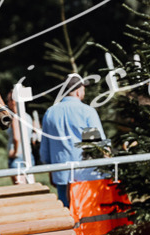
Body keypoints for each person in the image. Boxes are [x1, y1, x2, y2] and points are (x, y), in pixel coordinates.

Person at [39, 75, 106, 208]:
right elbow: (97, 145)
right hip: (85, 173)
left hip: (61, 172)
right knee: (87, 212)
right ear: (78, 91)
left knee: (67, 213)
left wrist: (50, 170)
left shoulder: (50, 113)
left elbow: (45, 149)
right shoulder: (87, 111)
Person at [6, 91, 29, 185]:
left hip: (17, 158)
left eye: (8, 101)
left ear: (13, 101)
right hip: (28, 156)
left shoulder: (15, 118)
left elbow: (16, 138)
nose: (8, 104)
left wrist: (14, 152)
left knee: (21, 190)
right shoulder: (27, 117)